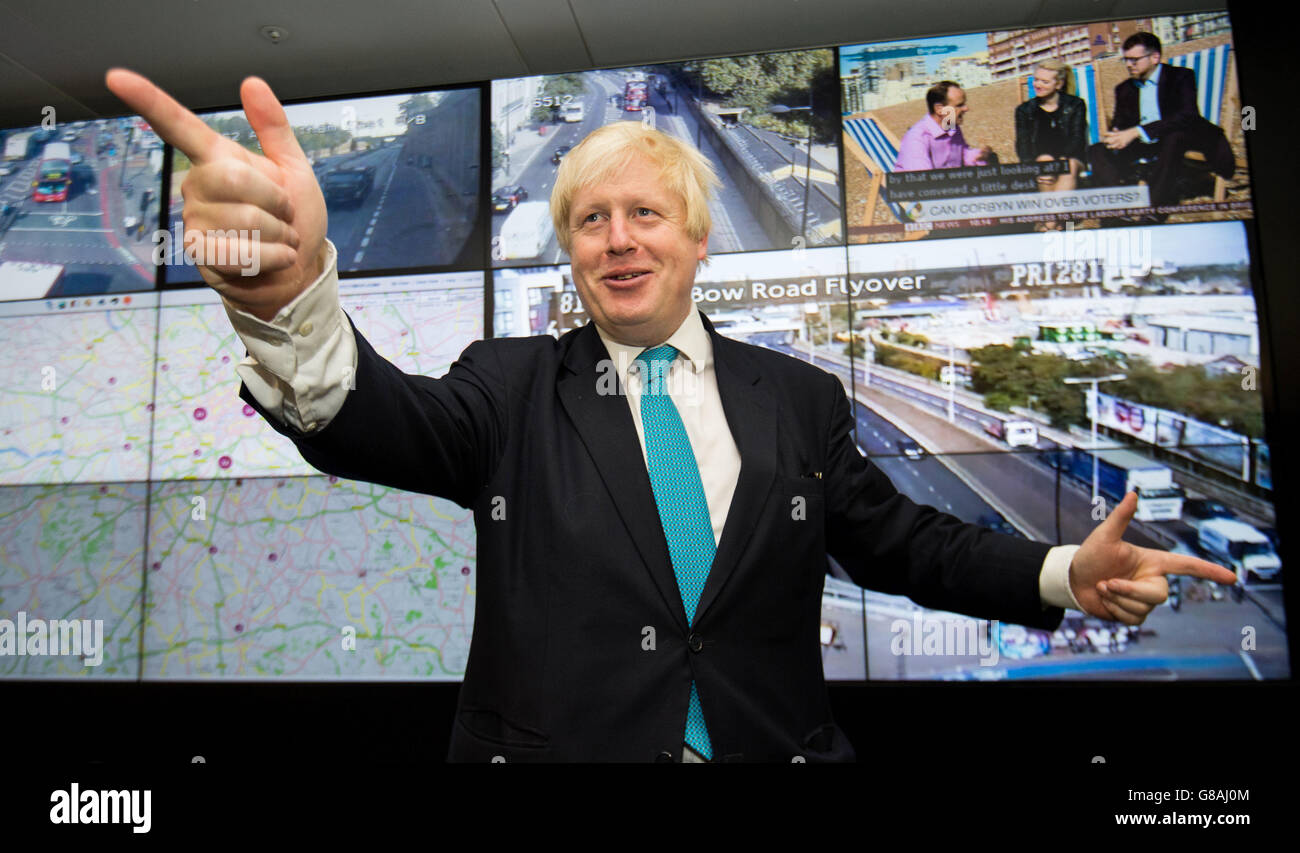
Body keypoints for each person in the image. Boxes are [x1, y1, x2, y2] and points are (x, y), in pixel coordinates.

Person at [104, 67, 1235, 763]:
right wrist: (288, 296)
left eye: (645, 212)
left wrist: (1061, 576)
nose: (617, 239)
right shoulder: (507, 387)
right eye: (589, 219)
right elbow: (368, 418)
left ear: (698, 238)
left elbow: (903, 543)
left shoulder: (796, 398)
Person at [1087, 32, 1234, 216]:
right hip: (1149, 143)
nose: (1128, 65)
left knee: (1173, 138)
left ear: (1155, 57)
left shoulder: (1180, 77)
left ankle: (1154, 209)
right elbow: (1121, 122)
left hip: (1185, 136)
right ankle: (1119, 208)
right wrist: (1117, 134)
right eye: (1125, 60)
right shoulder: (1125, 88)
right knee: (1097, 150)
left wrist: (1137, 132)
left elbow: (1188, 116)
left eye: (1134, 60)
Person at [1014, 59, 1088, 209]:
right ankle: (1063, 225)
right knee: (1044, 161)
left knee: (1069, 166)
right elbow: (1023, 145)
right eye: (1036, 80)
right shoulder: (1024, 110)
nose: (1038, 85)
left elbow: (1078, 138)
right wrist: (1032, 166)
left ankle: (1050, 222)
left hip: (1071, 157)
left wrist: (1060, 162)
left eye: (1045, 82)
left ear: (1059, 84)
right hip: (1040, 161)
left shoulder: (1075, 105)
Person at [893, 81, 993, 171]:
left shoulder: (951, 127)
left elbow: (962, 155)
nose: (966, 108)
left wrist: (980, 155)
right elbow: (922, 181)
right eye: (959, 105)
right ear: (939, 109)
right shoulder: (917, 138)